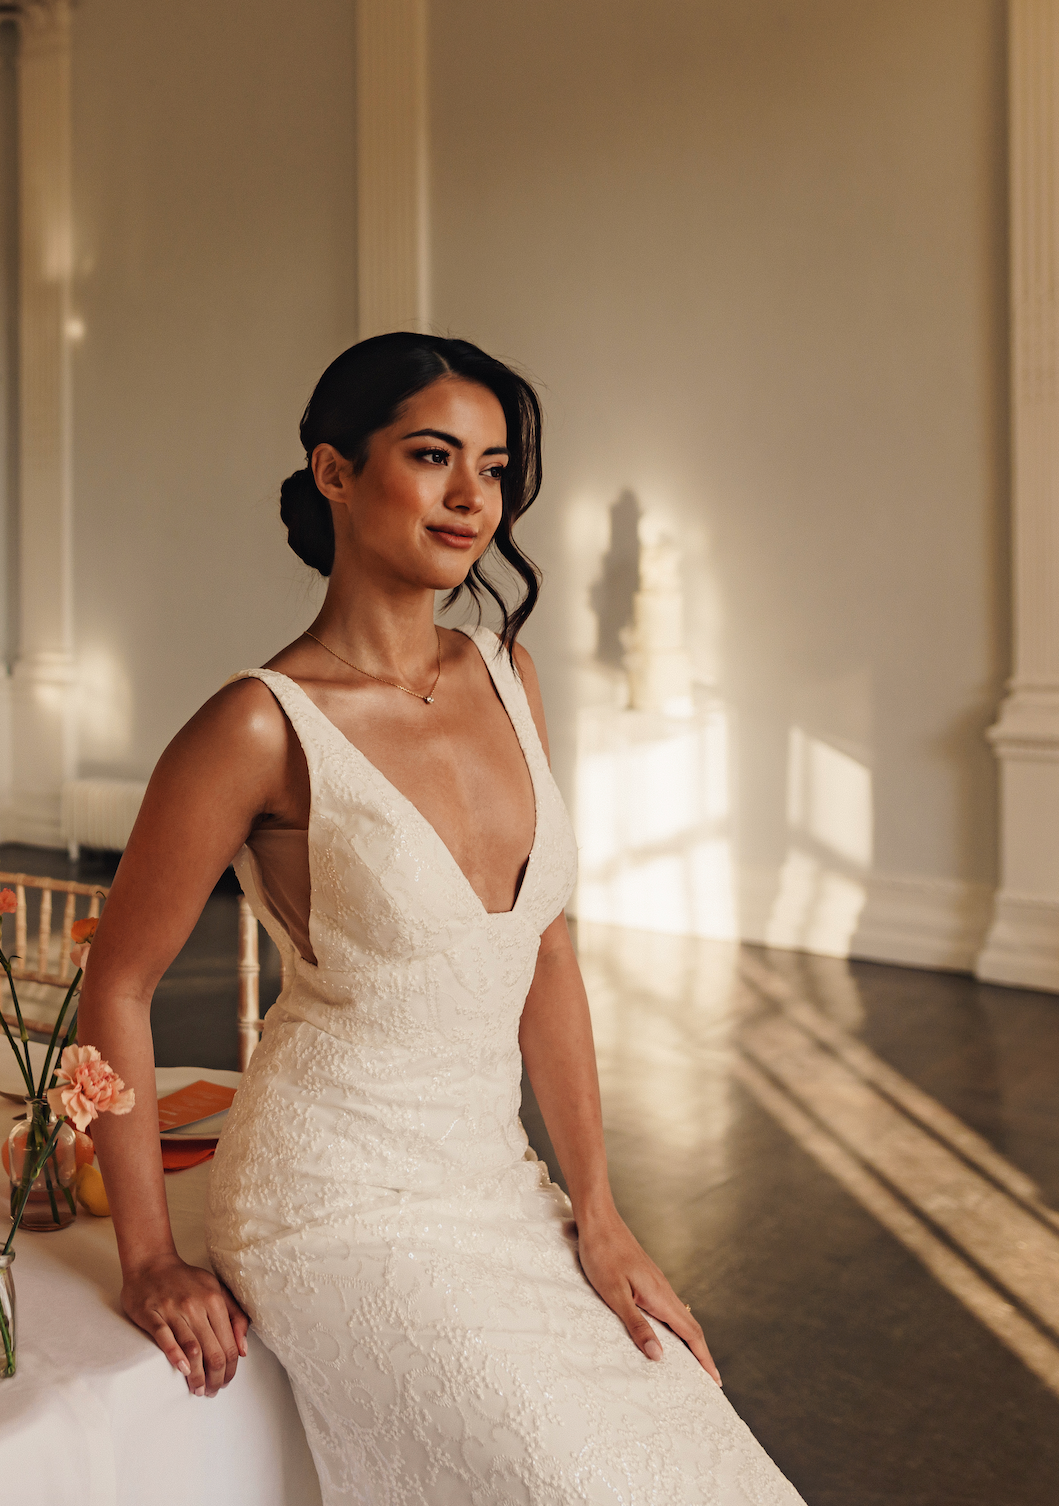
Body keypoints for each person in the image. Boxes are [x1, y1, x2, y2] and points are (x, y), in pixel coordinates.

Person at [78, 333, 804, 1503]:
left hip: (495, 1184)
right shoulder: (258, 725)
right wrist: (151, 1256)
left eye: (495, 466)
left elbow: (545, 950)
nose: (474, 497)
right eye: (431, 457)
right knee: (567, 1480)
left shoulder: (508, 675)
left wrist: (601, 1213)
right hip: (330, 1204)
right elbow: (115, 985)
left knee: (698, 1449)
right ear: (334, 472)